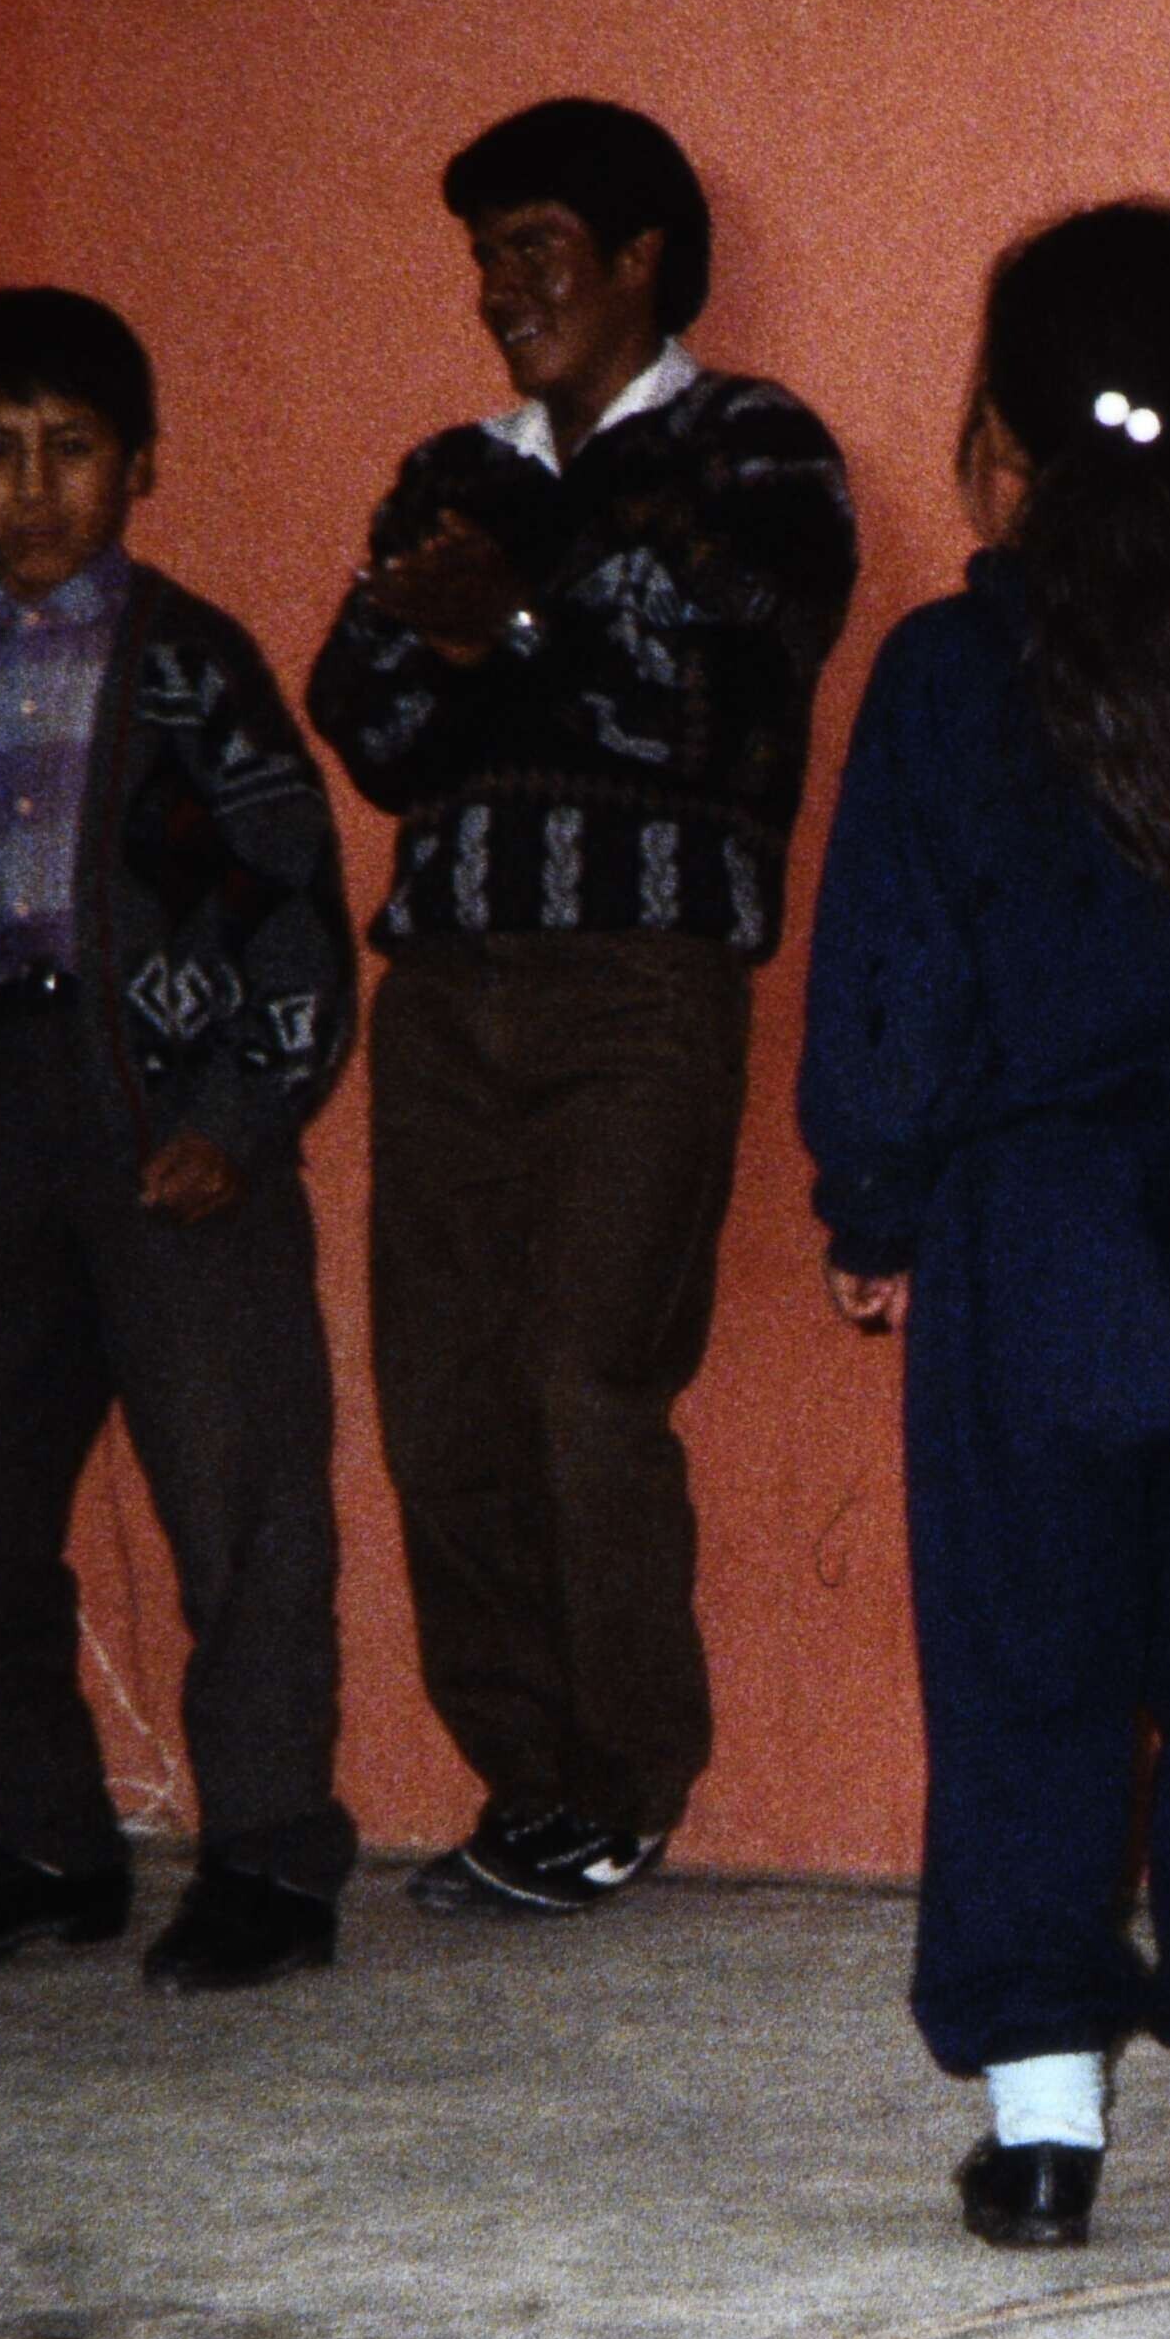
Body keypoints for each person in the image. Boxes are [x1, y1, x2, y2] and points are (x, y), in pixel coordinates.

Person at [804, 203, 1170, 2253]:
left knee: (1025, 1671)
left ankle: (1044, 2126)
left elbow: (885, 979)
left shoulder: (941, 669)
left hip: (1027, 1239)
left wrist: (874, 1198)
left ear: (997, 430)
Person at [304, 99, 859, 1925]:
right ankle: (527, 1778)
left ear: (641, 257)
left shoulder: (758, 446)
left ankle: (625, 1783)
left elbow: (731, 716)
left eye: (534, 250)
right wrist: (520, 648)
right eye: (483, 258)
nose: (499, 292)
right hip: (446, 983)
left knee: (584, 1380)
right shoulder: (446, 468)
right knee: (438, 1397)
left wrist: (512, 637)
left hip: (642, 983)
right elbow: (370, 720)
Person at [0, 286, 368, 2000]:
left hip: (176, 1135)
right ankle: (48, 1840)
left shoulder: (194, 671)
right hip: (4, 1138)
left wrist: (239, 1115)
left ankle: (268, 1857)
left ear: (139, 465)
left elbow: (291, 904)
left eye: (72, 450)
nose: (34, 488)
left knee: (241, 1504)